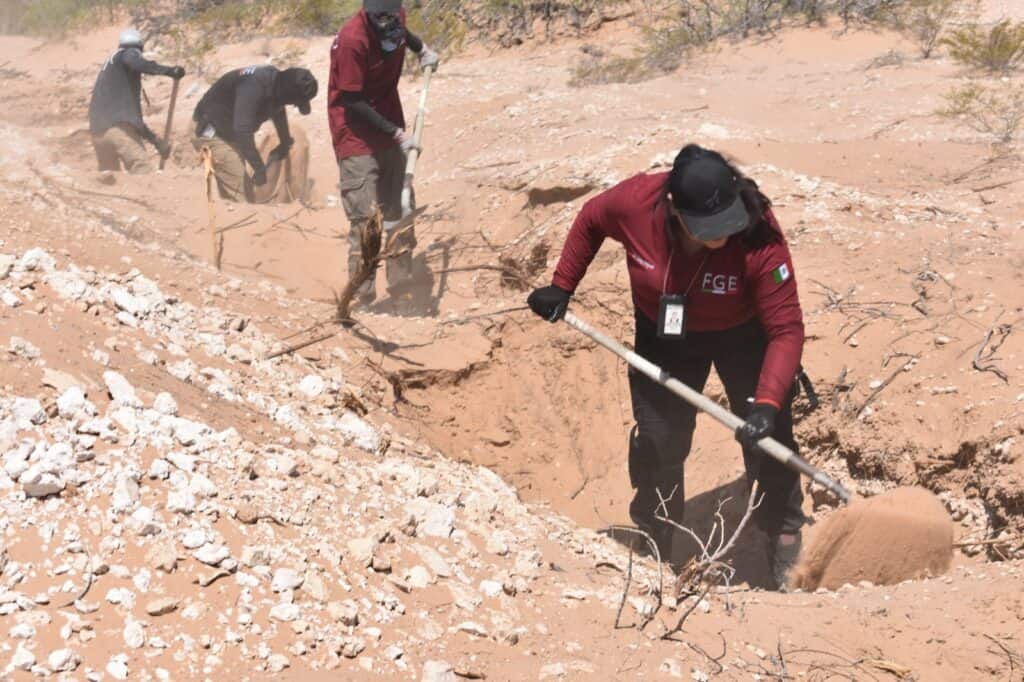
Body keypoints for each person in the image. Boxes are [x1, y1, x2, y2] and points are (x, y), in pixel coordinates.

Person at [527, 144, 807, 588]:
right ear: (674, 208)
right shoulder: (635, 203)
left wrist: (767, 402)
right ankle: (658, 532)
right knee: (660, 437)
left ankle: (784, 533)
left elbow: (787, 329)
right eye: (710, 229)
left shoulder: (758, 233)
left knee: (768, 438)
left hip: (744, 335)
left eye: (728, 224)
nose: (724, 236)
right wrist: (562, 286)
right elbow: (591, 219)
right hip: (666, 333)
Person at [328, 0, 440, 304]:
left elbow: (404, 32)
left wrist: (421, 49)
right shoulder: (353, 41)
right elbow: (352, 100)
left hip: (389, 126)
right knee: (366, 218)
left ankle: (402, 288)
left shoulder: (392, 14)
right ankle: (361, 296)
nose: (392, 20)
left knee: (400, 209)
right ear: (371, 16)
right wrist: (397, 133)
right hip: (356, 134)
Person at [192, 65, 318, 203]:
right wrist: (259, 168)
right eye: (294, 103)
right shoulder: (253, 87)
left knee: (244, 189)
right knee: (241, 197)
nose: (292, 105)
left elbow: (278, 108)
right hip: (211, 132)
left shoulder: (276, 82)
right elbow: (242, 130)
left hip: (230, 132)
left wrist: (284, 141)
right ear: (286, 94)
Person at [88, 29, 184, 174]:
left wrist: (157, 143)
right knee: (143, 170)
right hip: (116, 129)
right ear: (139, 47)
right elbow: (135, 62)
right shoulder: (128, 54)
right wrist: (169, 71)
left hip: (97, 132)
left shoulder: (113, 72)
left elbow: (132, 121)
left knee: (113, 181)